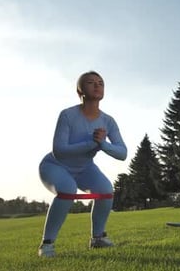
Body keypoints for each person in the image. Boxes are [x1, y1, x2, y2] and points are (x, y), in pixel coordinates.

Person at [37, 71, 127, 257]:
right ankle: (47, 245)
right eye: (91, 82)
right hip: (55, 165)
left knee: (106, 190)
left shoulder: (108, 121)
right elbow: (59, 150)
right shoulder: (68, 115)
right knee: (67, 189)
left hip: (85, 168)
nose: (97, 85)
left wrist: (103, 144)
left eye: (101, 83)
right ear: (80, 90)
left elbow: (122, 153)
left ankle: (98, 238)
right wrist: (91, 143)